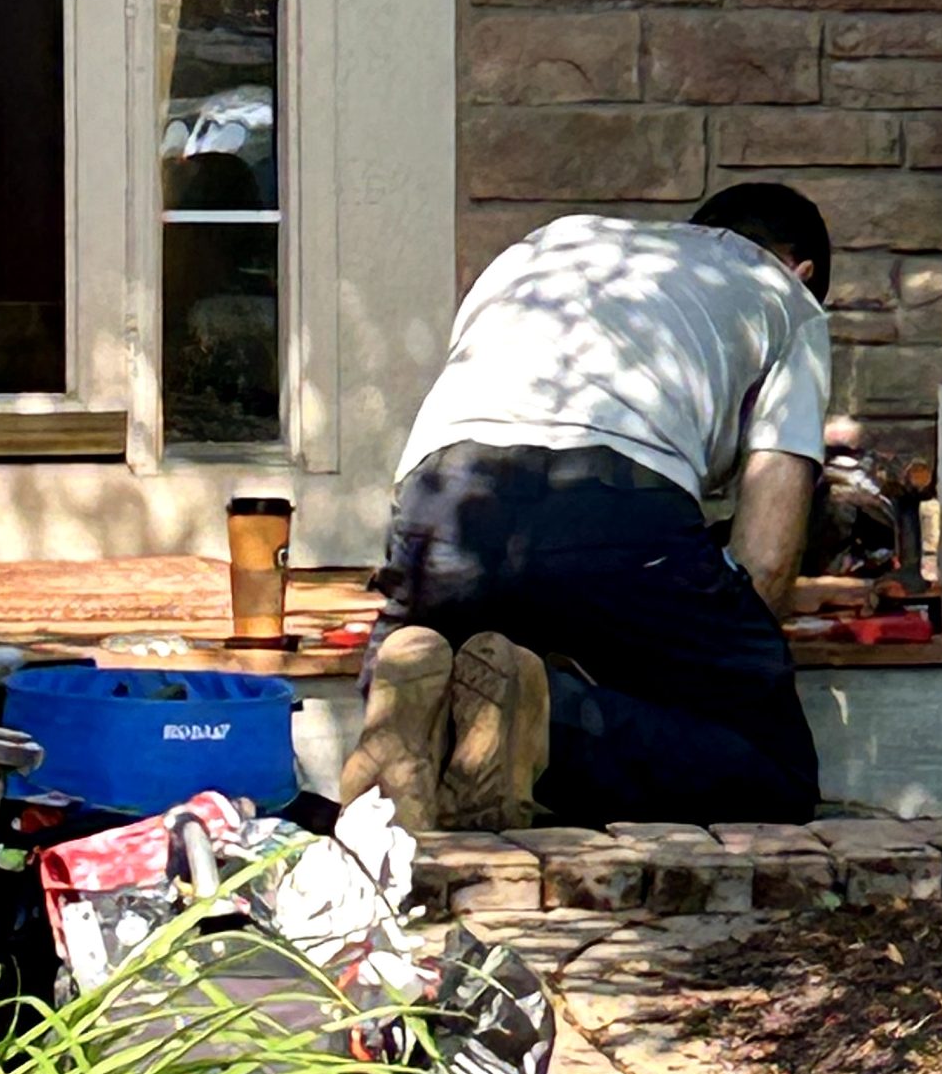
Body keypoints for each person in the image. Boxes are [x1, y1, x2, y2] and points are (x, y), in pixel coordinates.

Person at [341, 183, 831, 834]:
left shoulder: (549, 243)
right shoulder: (789, 301)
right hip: (613, 504)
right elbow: (765, 562)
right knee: (774, 774)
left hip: (440, 507)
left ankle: (421, 712)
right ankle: (549, 724)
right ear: (803, 272)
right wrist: (727, 644)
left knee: (456, 653)